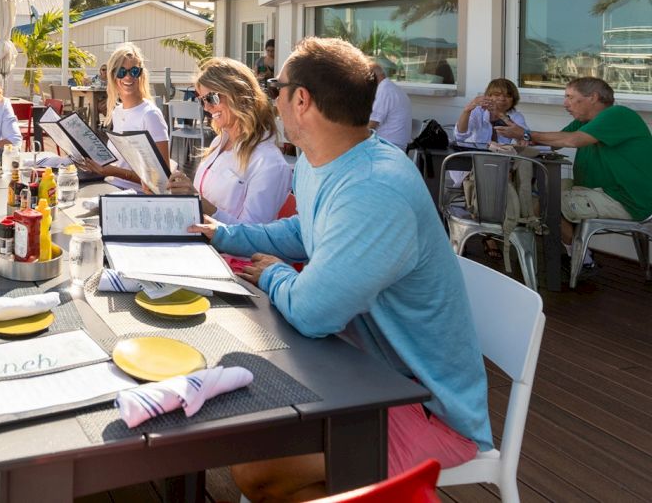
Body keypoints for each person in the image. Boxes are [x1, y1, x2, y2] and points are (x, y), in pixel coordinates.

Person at [189, 37, 490, 497]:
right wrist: (226, 235)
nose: (271, 96)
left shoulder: (374, 189)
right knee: (237, 419)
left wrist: (274, 274)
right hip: (355, 368)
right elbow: (303, 231)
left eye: (276, 86)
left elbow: (313, 314)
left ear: (301, 99)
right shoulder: (320, 161)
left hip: (423, 403)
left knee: (256, 471)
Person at [496, 76, 652, 271]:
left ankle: (583, 261)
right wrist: (512, 128)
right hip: (597, 190)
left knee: (548, 203)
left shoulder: (618, 114)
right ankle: (569, 252)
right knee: (538, 199)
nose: (565, 104)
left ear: (593, 97)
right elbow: (554, 142)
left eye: (570, 97)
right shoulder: (584, 121)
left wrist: (527, 135)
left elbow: (573, 141)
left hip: (625, 199)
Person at [166, 57, 291, 224]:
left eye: (212, 98)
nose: (207, 108)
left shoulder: (269, 162)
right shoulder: (218, 142)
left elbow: (253, 235)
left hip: (223, 250)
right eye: (202, 100)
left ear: (238, 95)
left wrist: (198, 202)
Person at [78, 44, 170, 188]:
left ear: (141, 74)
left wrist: (113, 171)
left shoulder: (150, 115)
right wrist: (98, 166)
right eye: (121, 71)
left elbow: (162, 181)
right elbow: (123, 164)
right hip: (113, 186)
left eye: (134, 71)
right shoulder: (118, 111)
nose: (128, 77)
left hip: (136, 195)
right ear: (113, 76)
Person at [454, 78, 526, 146]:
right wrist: (466, 111)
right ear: (488, 96)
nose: (502, 99)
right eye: (497, 95)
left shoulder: (516, 116)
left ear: (513, 99)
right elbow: (460, 136)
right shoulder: (478, 111)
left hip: (502, 156)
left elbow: (524, 138)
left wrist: (501, 115)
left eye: (507, 96)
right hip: (474, 154)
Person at [368, 60, 412, 149]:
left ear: (371, 77)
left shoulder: (384, 90)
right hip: (396, 144)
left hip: (389, 145)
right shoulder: (390, 87)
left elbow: (372, 125)